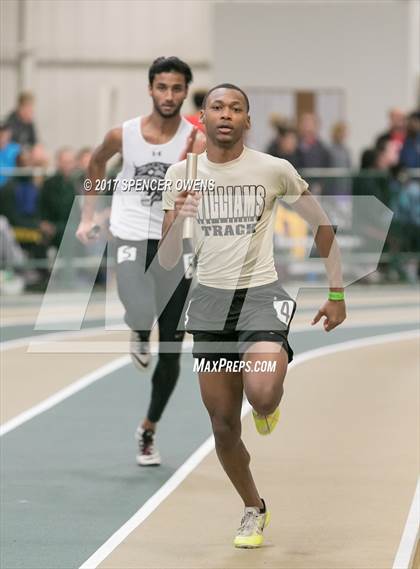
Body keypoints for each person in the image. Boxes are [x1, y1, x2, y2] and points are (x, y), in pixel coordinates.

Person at [160, 84, 346, 549]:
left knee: (261, 395)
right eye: (217, 107)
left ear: (248, 120)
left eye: (236, 109)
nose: (226, 115)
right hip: (207, 304)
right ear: (202, 117)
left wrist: (337, 291)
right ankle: (253, 508)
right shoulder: (180, 173)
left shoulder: (273, 169)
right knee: (224, 426)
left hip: (260, 295)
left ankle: (268, 401)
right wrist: (179, 216)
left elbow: (322, 226)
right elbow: (164, 261)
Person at [76, 56, 205, 467]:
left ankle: (148, 430)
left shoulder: (195, 140)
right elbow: (96, 163)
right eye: (162, 87)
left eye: (177, 88)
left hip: (174, 240)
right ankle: (137, 329)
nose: (169, 96)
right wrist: (87, 214)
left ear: (186, 91)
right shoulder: (124, 134)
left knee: (171, 353)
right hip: (130, 230)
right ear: (150, 89)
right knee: (138, 305)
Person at [0, 123, 21, 188]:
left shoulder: (16, 149)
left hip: (12, 184)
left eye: (6, 136)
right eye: (2, 135)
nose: (3, 139)